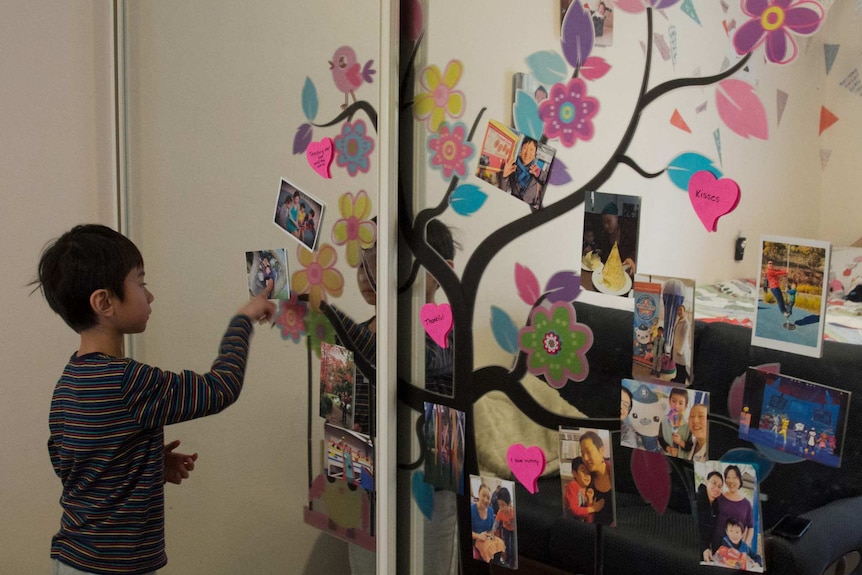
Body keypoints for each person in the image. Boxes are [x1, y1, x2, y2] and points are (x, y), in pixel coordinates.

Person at [34, 224, 275, 575]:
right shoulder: (130, 382)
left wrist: (141, 464)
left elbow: (69, 462)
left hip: (73, 557)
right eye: (140, 283)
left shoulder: (69, 381)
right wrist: (243, 319)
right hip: (114, 567)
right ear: (104, 302)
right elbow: (221, 388)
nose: (150, 297)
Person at [710, 465, 754, 559]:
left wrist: (744, 546)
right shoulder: (719, 497)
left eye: (734, 477)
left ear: (740, 479)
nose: (731, 481)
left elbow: (750, 527)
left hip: (736, 549)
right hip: (716, 545)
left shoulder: (747, 504)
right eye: (728, 477)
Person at [578, 431, 614, 525]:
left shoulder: (615, 472)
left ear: (601, 451)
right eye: (582, 454)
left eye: (589, 452)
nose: (585, 458)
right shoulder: (586, 480)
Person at [593, 201, 636, 275]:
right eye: (604, 222)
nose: (606, 226)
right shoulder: (604, 235)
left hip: (625, 272)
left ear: (616, 218)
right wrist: (596, 251)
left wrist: (631, 258)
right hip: (609, 273)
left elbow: (637, 249)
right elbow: (602, 251)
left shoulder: (629, 231)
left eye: (609, 221)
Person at [501, 137, 544, 209]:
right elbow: (503, 191)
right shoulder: (512, 168)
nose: (527, 153)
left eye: (531, 149)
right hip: (511, 207)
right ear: (521, 149)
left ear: (535, 153)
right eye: (525, 148)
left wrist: (540, 174)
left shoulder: (537, 172)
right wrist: (504, 176)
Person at [471, 483, 506, 563]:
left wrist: (490, 534)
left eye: (488, 498)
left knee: (500, 543)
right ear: (478, 494)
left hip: (487, 536)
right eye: (483, 495)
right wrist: (479, 536)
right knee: (489, 549)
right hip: (476, 538)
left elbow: (492, 528)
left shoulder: (490, 510)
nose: (486, 500)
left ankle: (497, 562)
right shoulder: (471, 510)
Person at [564, 456, 605, 522]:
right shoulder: (573, 485)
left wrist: (590, 500)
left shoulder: (588, 491)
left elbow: (589, 521)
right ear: (574, 473)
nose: (587, 475)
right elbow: (574, 510)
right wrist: (594, 508)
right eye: (583, 471)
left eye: (589, 472)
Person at [658, 388, 692, 457]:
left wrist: (681, 442)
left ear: (685, 406)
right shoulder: (663, 422)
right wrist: (668, 449)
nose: (676, 406)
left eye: (680, 403)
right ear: (669, 401)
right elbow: (660, 439)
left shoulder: (689, 426)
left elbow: (690, 447)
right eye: (674, 401)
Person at [698, 471, 724, 562]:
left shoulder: (716, 508)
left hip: (706, 554)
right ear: (706, 482)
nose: (716, 488)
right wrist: (703, 548)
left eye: (720, 486)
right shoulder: (696, 500)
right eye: (713, 483)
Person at [492, 486, 516, 566]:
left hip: (513, 530)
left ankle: (513, 560)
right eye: (499, 505)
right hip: (505, 529)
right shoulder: (500, 512)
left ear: (509, 504)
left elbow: (514, 525)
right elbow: (496, 522)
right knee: (506, 544)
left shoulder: (513, 513)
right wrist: (493, 531)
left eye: (503, 505)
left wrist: (511, 523)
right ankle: (507, 559)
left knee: (513, 545)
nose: (501, 508)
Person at [671, 305, 690, 385]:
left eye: (681, 310)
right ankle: (677, 378)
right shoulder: (679, 320)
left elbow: (685, 337)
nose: (679, 312)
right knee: (677, 365)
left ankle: (681, 381)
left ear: (684, 311)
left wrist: (680, 350)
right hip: (677, 346)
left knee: (682, 366)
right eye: (678, 310)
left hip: (681, 349)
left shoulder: (686, 323)